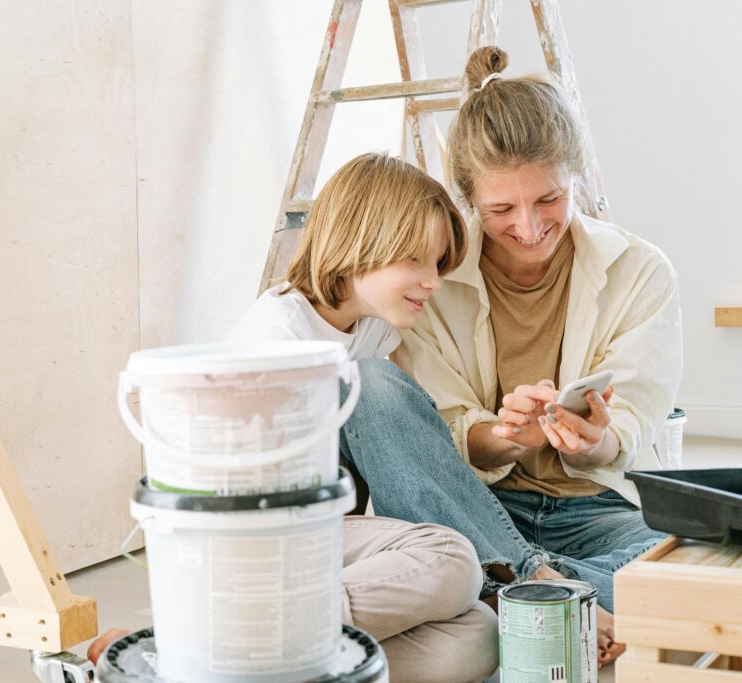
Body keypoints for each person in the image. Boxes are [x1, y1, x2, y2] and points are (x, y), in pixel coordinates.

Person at [338, 47, 681, 666]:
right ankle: (540, 587)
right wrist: (503, 436)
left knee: (697, 565)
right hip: (465, 507)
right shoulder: (429, 281)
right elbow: (432, 435)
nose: (527, 227)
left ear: (574, 176)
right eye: (500, 210)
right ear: (469, 199)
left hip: (598, 511)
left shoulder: (641, 272)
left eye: (548, 199)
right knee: (368, 384)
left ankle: (503, 593)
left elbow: (630, 432)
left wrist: (592, 438)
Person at [228, 152, 497, 683]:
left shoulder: (370, 329)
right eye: (416, 261)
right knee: (452, 558)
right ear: (361, 244)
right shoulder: (279, 338)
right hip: (263, 543)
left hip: (322, 537)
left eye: (438, 264)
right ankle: (242, 636)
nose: (433, 281)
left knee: (479, 637)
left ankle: (256, 664)